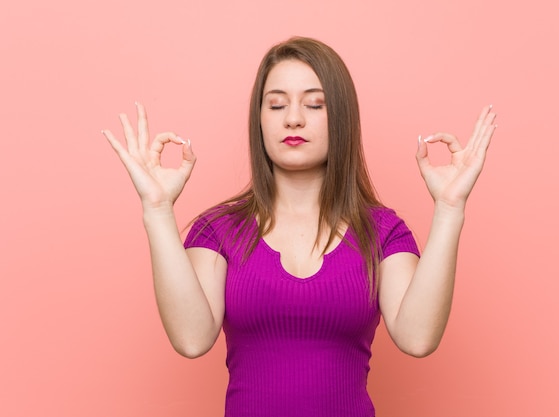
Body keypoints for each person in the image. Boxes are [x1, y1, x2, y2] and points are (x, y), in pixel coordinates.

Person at [102, 36, 496, 417]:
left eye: (314, 105)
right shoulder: (217, 230)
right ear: (259, 119)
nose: (293, 118)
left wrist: (449, 207)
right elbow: (191, 339)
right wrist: (156, 209)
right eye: (276, 106)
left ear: (341, 118)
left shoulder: (383, 231)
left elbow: (418, 337)